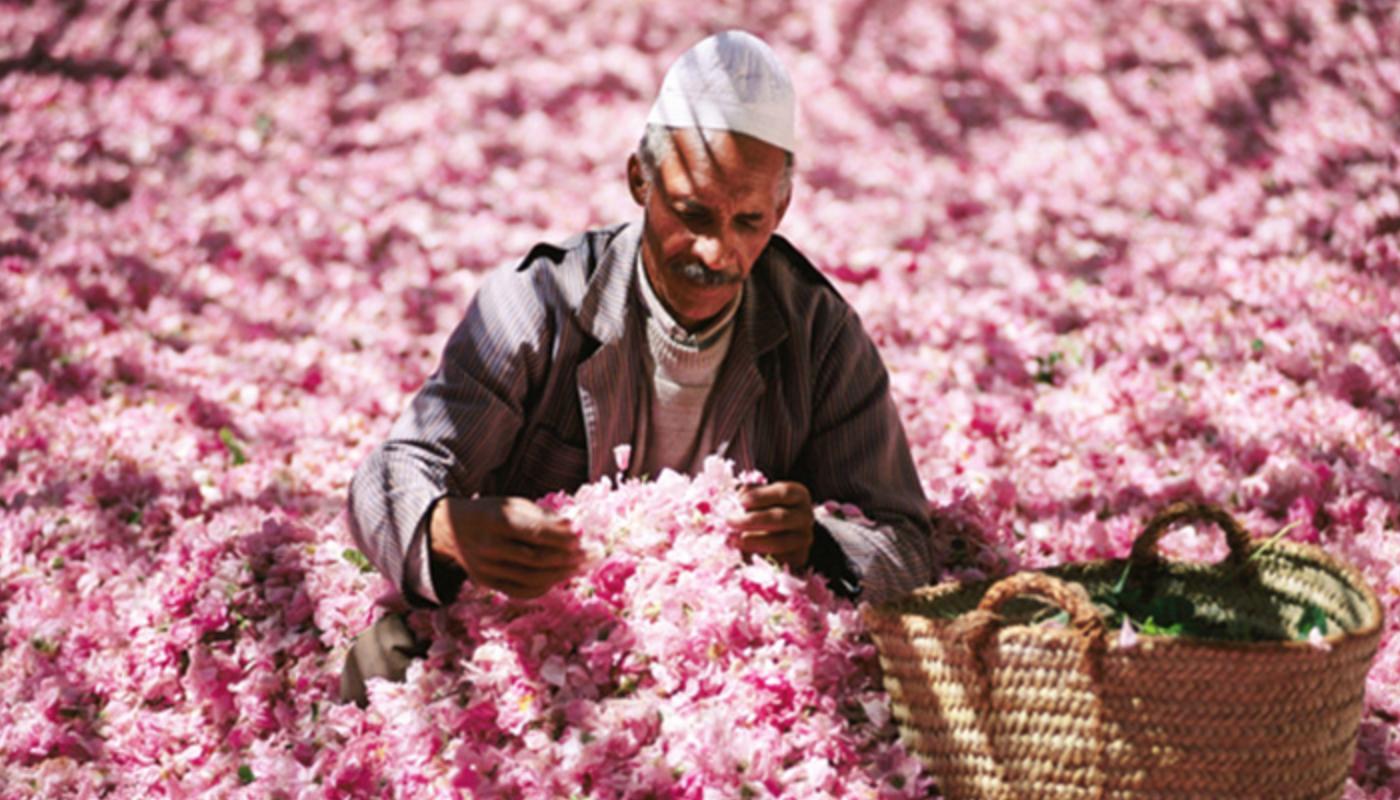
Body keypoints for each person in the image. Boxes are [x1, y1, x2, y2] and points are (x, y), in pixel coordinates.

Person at [340, 30, 938, 706]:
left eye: (748, 221)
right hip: (538, 652)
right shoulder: (542, 303)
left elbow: (908, 545)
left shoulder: (820, 335)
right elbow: (391, 472)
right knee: (386, 662)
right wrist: (446, 528)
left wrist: (820, 546)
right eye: (692, 213)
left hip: (727, 679)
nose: (717, 252)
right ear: (638, 179)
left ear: (782, 210)